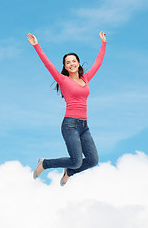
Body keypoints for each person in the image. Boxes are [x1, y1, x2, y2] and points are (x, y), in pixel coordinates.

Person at [27, 31, 107, 186]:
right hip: (70, 125)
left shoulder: (85, 79)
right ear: (65, 66)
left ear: (78, 62)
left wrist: (103, 43)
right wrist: (36, 45)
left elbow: (98, 63)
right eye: (68, 62)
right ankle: (44, 163)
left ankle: (68, 172)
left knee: (92, 160)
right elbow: (48, 64)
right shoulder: (62, 80)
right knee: (76, 161)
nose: (71, 64)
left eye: (74, 61)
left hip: (84, 126)